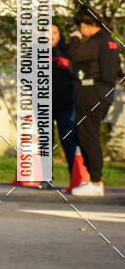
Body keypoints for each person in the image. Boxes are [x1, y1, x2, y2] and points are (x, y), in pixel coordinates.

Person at [68, 5, 120, 197]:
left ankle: (96, 182)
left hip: (93, 91)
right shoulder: (110, 40)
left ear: (84, 24)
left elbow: (73, 54)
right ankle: (95, 180)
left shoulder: (97, 41)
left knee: (88, 135)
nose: (80, 30)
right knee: (85, 134)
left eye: (79, 26)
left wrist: (75, 38)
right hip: (104, 91)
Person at [51, 22, 77, 174]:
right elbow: (25, 73)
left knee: (68, 140)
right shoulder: (35, 51)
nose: (51, 36)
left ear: (60, 35)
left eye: (54, 32)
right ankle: (46, 178)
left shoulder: (67, 51)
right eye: (47, 32)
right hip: (44, 105)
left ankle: (75, 176)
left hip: (66, 104)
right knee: (46, 142)